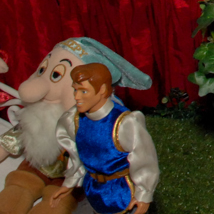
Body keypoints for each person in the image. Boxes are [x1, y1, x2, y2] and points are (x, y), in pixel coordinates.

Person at [49, 62, 158, 214]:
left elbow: (144, 160)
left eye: (83, 91)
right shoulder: (74, 120)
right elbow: (78, 154)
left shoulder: (124, 123)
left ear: (102, 90)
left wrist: (144, 195)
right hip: (94, 190)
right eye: (75, 90)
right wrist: (70, 182)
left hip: (124, 194)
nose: (76, 97)